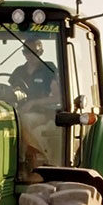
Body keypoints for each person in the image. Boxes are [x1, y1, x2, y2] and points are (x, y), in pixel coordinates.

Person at [8, 39, 61, 181]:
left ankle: (23, 163)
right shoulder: (18, 72)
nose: (30, 55)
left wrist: (34, 102)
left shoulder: (49, 69)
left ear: (41, 52)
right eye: (26, 51)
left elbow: (57, 98)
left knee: (23, 121)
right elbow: (11, 91)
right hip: (18, 112)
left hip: (43, 114)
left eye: (34, 52)